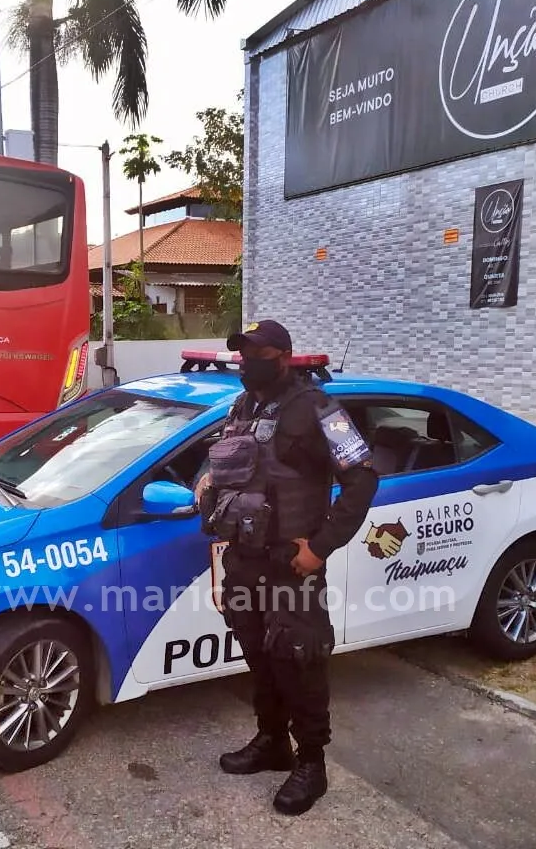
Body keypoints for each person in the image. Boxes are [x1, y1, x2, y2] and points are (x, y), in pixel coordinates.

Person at [195, 319, 378, 816]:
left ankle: (311, 763)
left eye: (254, 352)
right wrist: (206, 480)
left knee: (299, 658)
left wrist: (320, 547)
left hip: (291, 566)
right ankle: (272, 741)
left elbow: (362, 478)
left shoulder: (317, 408)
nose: (244, 360)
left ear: (281, 356)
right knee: (260, 654)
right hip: (245, 557)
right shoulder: (242, 406)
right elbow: (228, 463)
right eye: (241, 352)